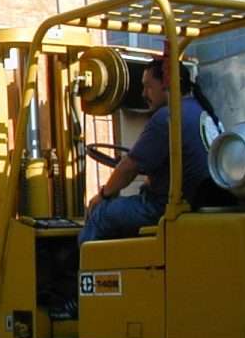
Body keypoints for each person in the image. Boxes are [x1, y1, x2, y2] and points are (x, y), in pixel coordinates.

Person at [79, 58, 218, 246]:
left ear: (167, 84)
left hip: (168, 208)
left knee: (100, 213)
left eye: (148, 87)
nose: (143, 94)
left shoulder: (167, 117)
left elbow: (129, 168)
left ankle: (85, 272)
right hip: (196, 202)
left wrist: (103, 195)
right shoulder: (201, 111)